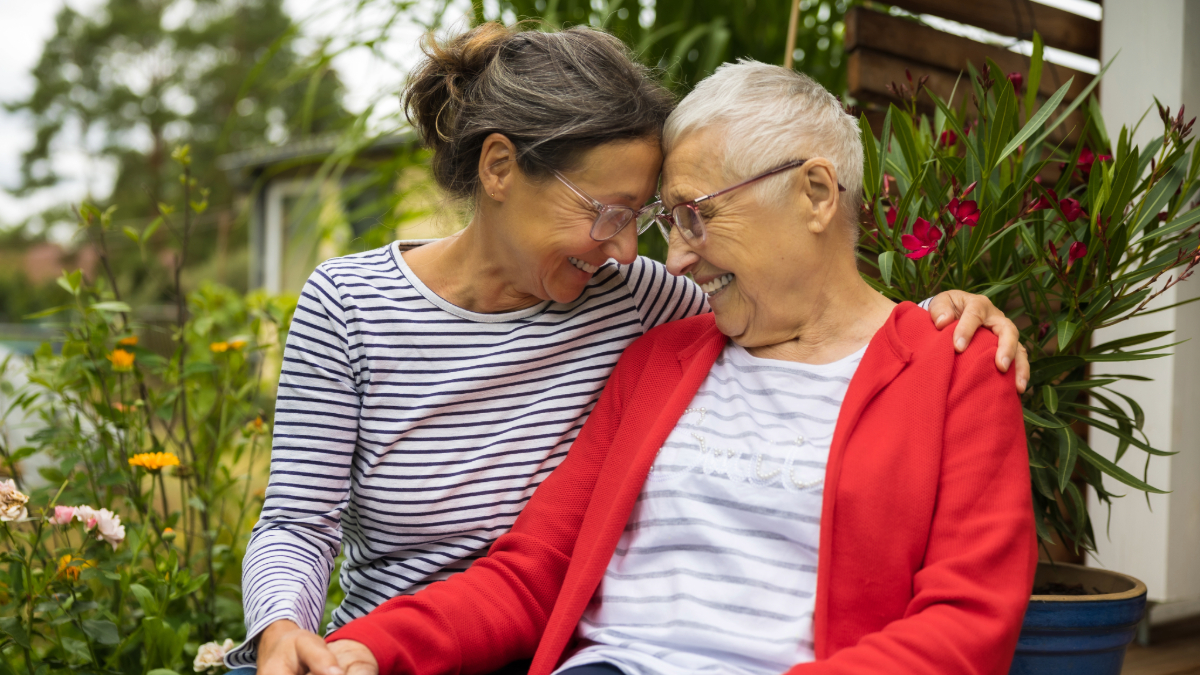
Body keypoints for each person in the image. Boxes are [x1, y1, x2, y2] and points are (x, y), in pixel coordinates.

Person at [231, 24, 1030, 675]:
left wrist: (931, 321)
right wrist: (363, 644)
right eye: (662, 220)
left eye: (690, 215)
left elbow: (966, 624)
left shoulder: (950, 366)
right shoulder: (665, 350)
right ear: (499, 168)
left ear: (816, 193)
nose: (664, 256)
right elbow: (530, 566)